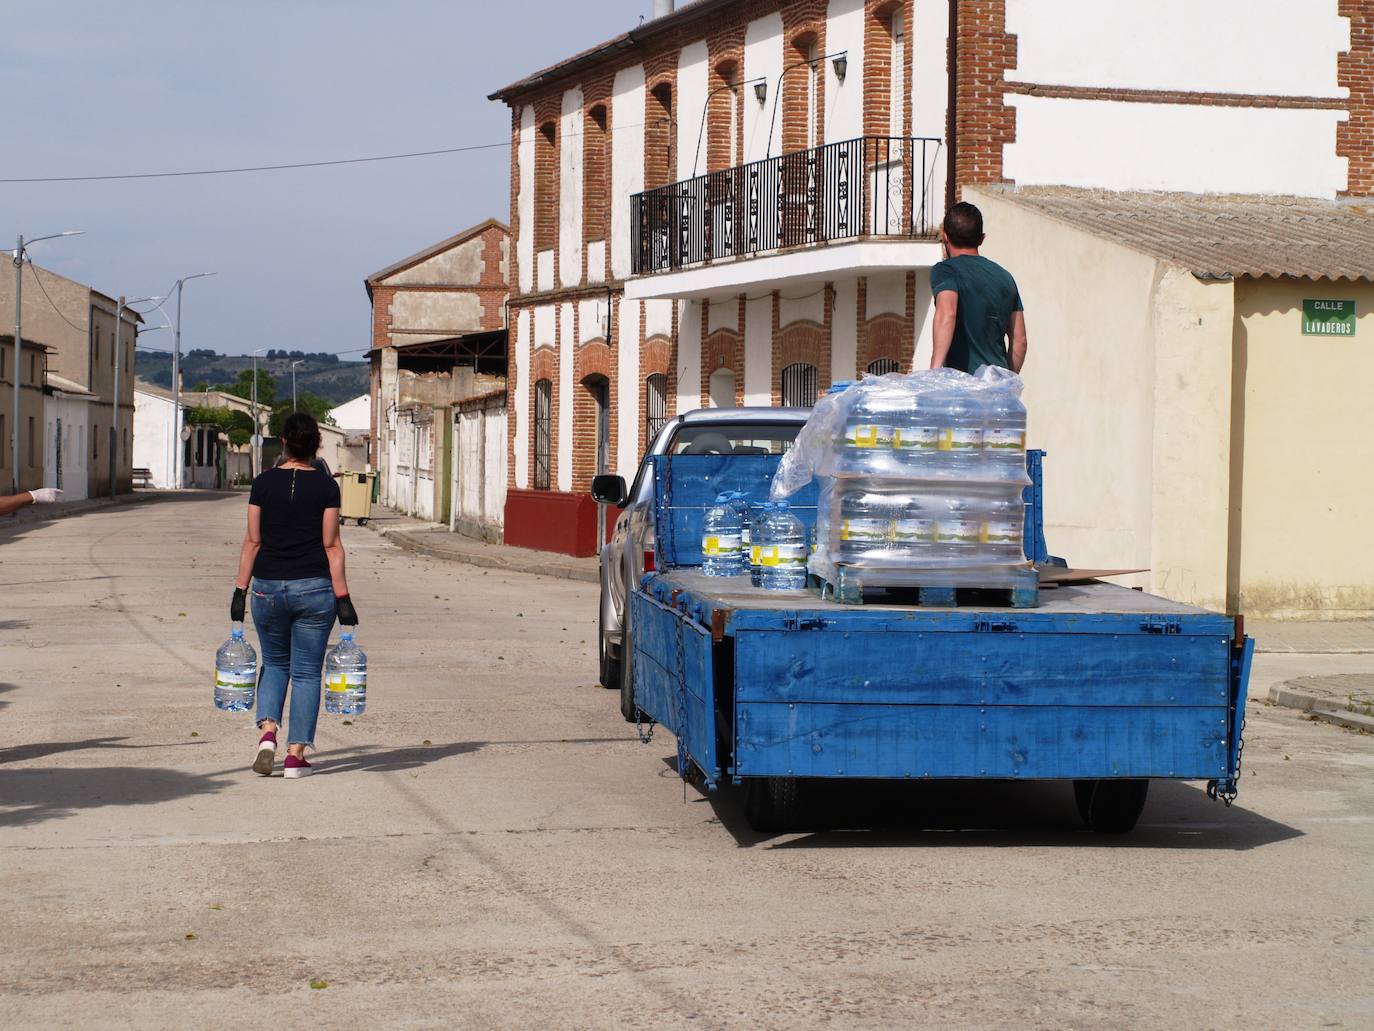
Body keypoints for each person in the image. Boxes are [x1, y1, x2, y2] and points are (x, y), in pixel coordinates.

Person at [232, 412, 359, 779]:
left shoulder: (263, 484)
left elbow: (253, 541)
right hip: (315, 590)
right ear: (316, 445)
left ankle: (268, 734)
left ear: (283, 442)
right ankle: (295, 754)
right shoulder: (326, 487)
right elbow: (331, 545)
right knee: (305, 673)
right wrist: (344, 598)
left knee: (274, 664)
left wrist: (240, 591)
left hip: (267, 588)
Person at [929, 202, 1028, 375]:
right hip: (996, 391)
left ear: (945, 236)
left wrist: (933, 373)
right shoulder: (1005, 277)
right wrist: (1006, 382)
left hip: (962, 387)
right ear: (981, 239)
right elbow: (1020, 340)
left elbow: (947, 313)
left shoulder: (946, 270)